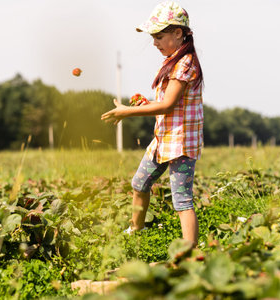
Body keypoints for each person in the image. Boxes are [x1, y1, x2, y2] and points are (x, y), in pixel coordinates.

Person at [101, 1, 204, 247]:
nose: (154, 42)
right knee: (139, 183)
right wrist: (144, 103)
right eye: (153, 37)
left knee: (182, 200)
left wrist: (128, 113)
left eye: (159, 36)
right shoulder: (173, 59)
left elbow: (168, 106)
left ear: (178, 33)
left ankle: (188, 251)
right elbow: (168, 102)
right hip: (163, 139)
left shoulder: (184, 63)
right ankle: (136, 230)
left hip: (181, 142)